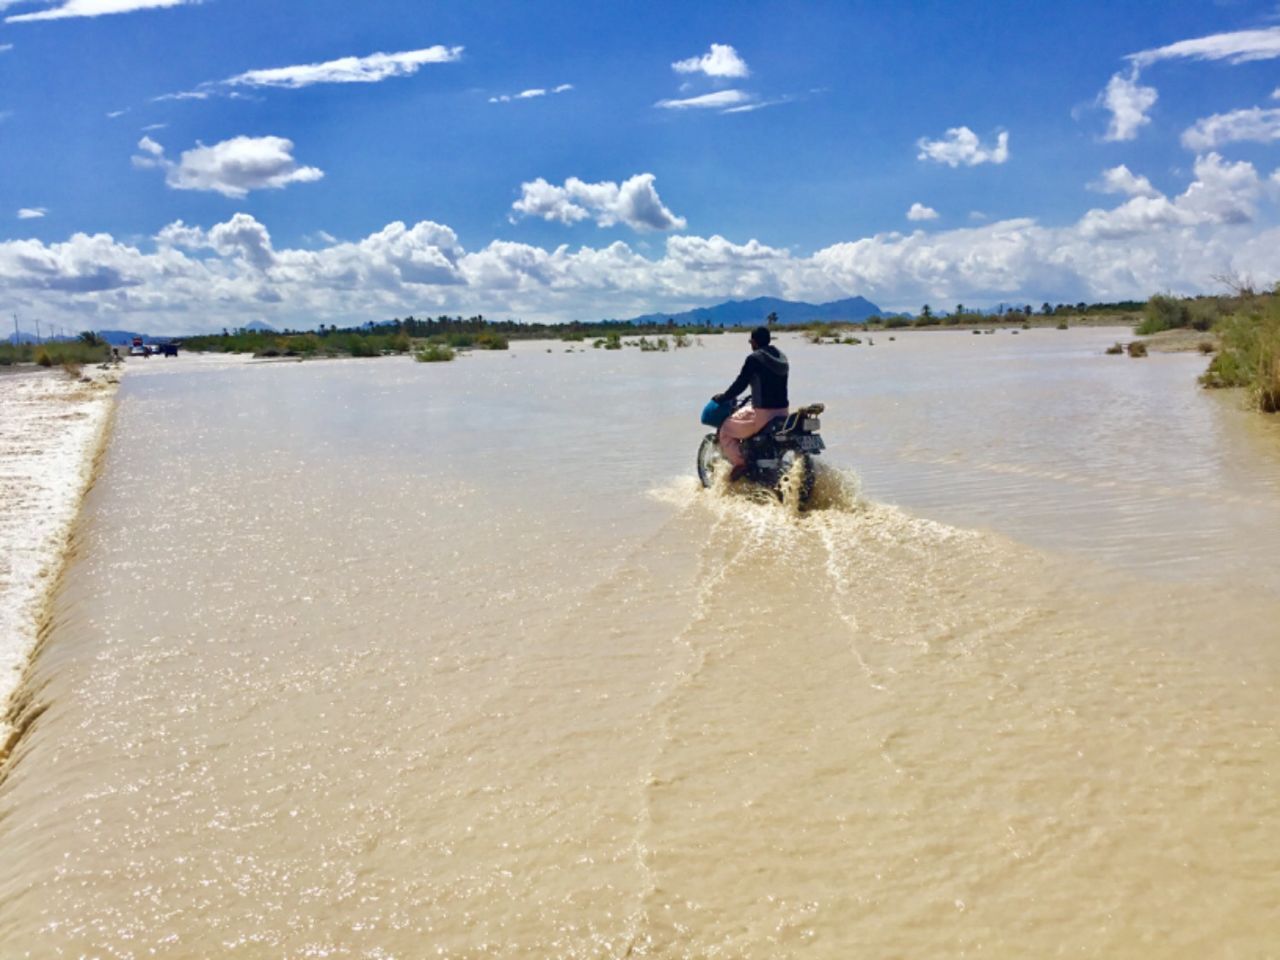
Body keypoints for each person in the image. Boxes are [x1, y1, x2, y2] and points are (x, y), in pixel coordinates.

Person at [712, 325, 789, 481]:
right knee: (747, 412)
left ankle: (741, 463)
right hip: (783, 413)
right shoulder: (782, 357)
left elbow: (741, 384)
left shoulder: (754, 358)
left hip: (763, 415)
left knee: (726, 429)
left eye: (751, 343)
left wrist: (723, 397)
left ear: (754, 342)